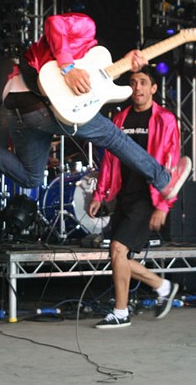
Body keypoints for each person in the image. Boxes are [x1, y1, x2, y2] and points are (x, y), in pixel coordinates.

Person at [0, 13, 191, 204]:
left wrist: (121, 62)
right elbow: (53, 23)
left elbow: (96, 79)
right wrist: (67, 67)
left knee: (30, 177)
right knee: (113, 135)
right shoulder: (87, 27)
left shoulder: (96, 57)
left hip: (17, 104)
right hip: (38, 103)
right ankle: (163, 180)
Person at [87, 65, 182, 329]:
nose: (137, 87)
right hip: (125, 196)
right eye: (133, 82)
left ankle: (120, 312)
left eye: (143, 82)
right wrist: (100, 193)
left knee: (118, 249)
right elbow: (109, 159)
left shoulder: (165, 120)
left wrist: (163, 205)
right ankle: (162, 286)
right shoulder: (120, 119)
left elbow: (171, 165)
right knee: (120, 257)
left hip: (148, 197)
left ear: (153, 88)